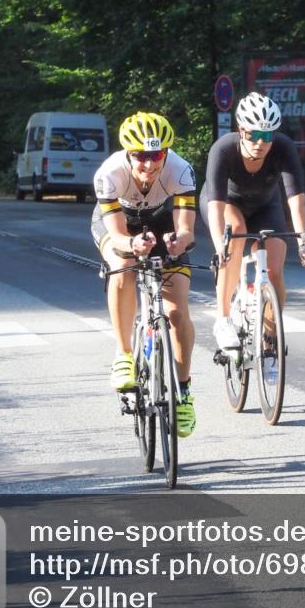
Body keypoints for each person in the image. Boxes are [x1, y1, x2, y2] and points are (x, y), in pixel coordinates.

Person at [91, 112, 199, 437]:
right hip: (121, 226)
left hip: (163, 223)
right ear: (128, 153)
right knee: (122, 265)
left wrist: (177, 242)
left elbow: (187, 231)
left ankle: (182, 393)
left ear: (165, 153)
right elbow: (119, 235)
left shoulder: (181, 171)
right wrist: (133, 244)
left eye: (156, 155)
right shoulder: (109, 173)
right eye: (140, 156)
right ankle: (124, 353)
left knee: (178, 313)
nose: (149, 164)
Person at [200, 92, 305, 351]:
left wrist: (304, 243)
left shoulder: (283, 148)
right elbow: (215, 208)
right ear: (241, 131)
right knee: (236, 234)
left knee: (274, 268)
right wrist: (221, 248)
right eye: (254, 134)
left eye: (267, 136)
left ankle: (269, 340)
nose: (261, 143)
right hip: (226, 203)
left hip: (265, 205)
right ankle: (222, 320)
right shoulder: (223, 149)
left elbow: (296, 202)